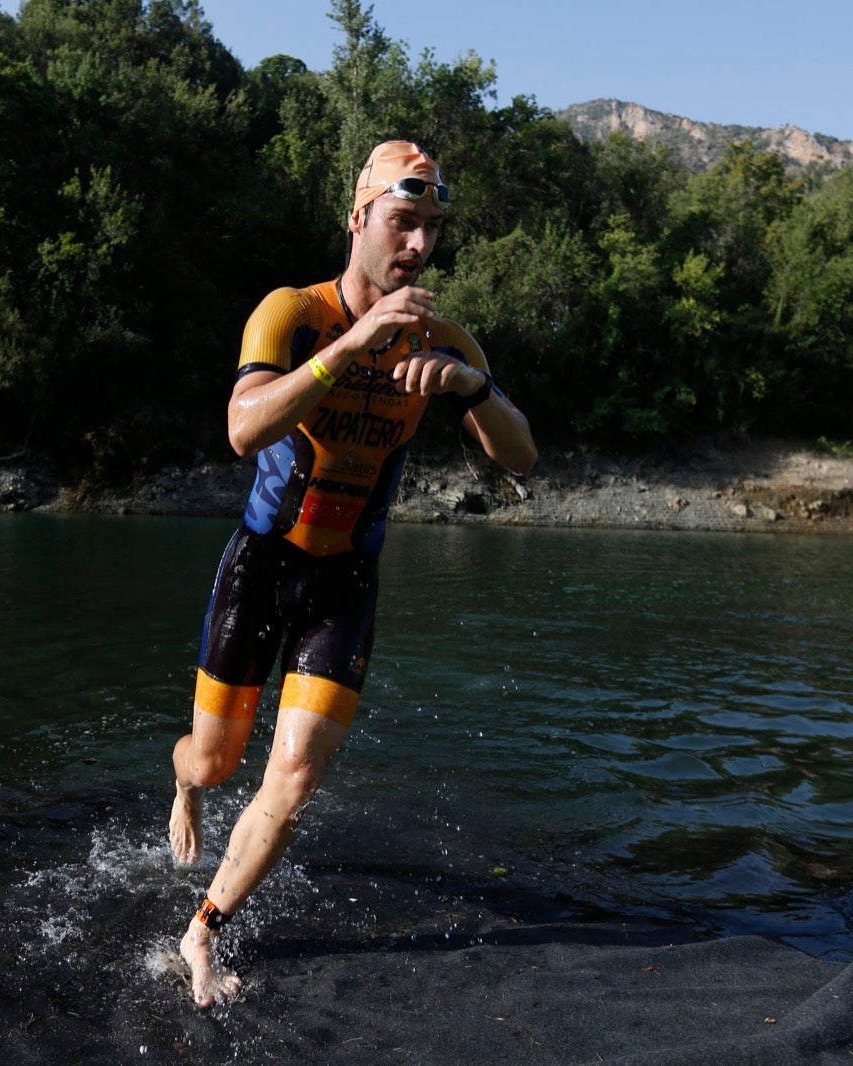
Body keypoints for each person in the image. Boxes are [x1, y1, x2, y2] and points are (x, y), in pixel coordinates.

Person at [166, 141, 538, 1007]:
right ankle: (181, 778)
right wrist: (354, 344)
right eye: (403, 223)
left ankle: (203, 929)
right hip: (261, 566)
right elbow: (242, 429)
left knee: (292, 781)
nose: (417, 245)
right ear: (360, 218)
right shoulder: (291, 313)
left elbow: (521, 459)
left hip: (346, 582)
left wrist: (470, 388)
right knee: (218, 765)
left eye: (432, 229)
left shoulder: (441, 339)